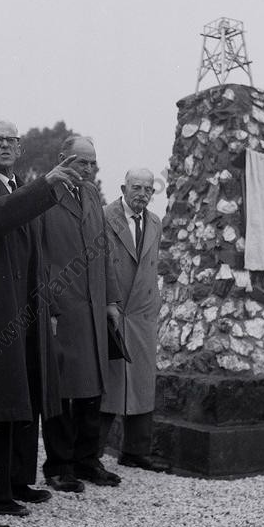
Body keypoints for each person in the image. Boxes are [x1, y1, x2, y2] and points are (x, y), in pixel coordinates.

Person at [0, 119, 80, 517]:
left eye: (12, 140)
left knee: (26, 391)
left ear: (20, 149)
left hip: (27, 308)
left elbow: (36, 253)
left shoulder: (22, 190)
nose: (6, 145)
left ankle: (17, 480)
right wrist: (44, 186)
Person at [40, 135, 122, 492]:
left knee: (92, 389)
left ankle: (88, 459)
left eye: (92, 163)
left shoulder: (91, 195)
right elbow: (38, 256)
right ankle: (59, 465)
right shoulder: (43, 196)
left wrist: (112, 300)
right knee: (61, 390)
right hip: (64, 309)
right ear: (62, 160)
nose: (87, 170)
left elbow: (104, 252)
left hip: (94, 308)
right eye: (80, 162)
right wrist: (49, 307)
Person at [98, 169, 170, 472]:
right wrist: (106, 302)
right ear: (123, 187)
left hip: (142, 314)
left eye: (148, 189)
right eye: (136, 187)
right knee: (107, 385)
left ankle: (136, 451)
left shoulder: (155, 222)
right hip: (111, 310)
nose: (142, 193)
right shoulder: (104, 216)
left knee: (142, 382)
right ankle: (91, 454)